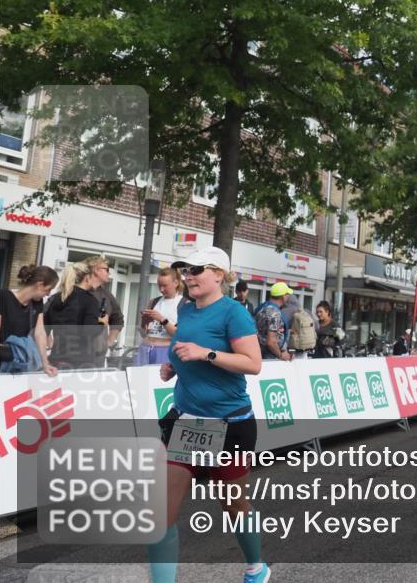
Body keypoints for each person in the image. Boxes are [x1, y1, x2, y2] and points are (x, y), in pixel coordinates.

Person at [151, 247, 268, 583]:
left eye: (196, 270)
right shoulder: (186, 309)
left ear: (220, 274)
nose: (188, 276)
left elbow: (253, 364)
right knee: (161, 511)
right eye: (186, 270)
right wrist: (175, 365)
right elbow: (187, 341)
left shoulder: (234, 313)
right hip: (187, 422)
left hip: (229, 424)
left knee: (234, 507)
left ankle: (256, 567)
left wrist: (206, 353)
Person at [44, 258, 110, 369]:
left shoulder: (57, 298)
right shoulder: (90, 301)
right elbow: (89, 332)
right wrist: (102, 323)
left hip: (56, 359)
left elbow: (44, 329)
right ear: (87, 278)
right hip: (80, 362)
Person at [0, 265, 59, 375]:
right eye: (48, 289)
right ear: (40, 285)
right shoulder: (3, 297)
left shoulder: (37, 303)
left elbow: (40, 333)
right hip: (1, 360)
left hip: (20, 363)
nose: (48, 294)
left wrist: (45, 363)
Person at [137, 268, 188, 366]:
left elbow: (181, 335)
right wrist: (144, 321)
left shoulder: (184, 303)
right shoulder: (153, 302)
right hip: (146, 348)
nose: (161, 289)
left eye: (165, 285)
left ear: (176, 283)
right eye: (159, 285)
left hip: (165, 350)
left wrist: (162, 319)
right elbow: (144, 333)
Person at [88, 257, 124, 350]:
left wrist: (110, 341)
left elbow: (118, 318)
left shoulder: (106, 294)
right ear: (96, 270)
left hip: (98, 354)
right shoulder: (77, 291)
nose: (109, 273)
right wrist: (49, 343)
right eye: (107, 270)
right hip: (76, 352)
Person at [255, 283, 291, 361]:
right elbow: (271, 342)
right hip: (270, 356)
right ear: (283, 296)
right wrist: (281, 355)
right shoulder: (274, 312)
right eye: (287, 294)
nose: (288, 297)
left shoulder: (262, 307)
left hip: (259, 353)